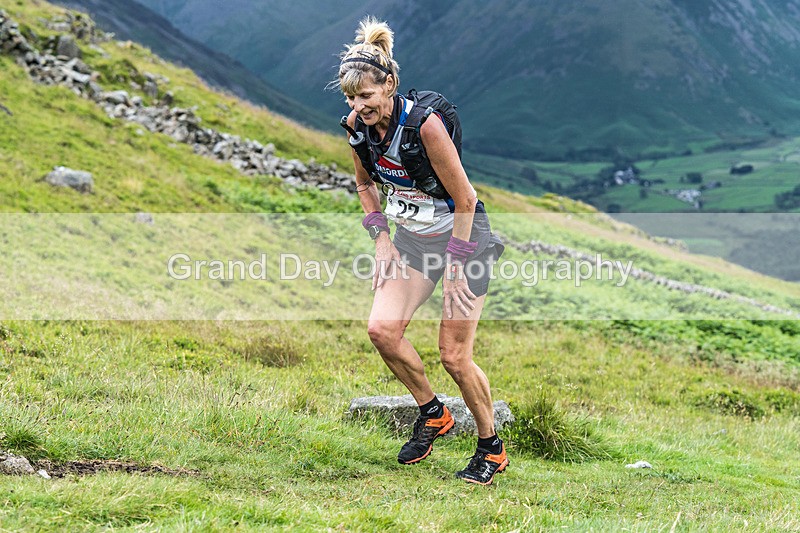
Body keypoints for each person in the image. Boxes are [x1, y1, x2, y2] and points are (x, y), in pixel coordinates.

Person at [333, 17, 508, 485]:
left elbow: (467, 199)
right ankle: (433, 412)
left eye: (366, 96)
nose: (358, 106)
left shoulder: (424, 126)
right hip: (411, 241)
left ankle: (490, 446)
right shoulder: (356, 128)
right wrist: (382, 239)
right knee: (382, 330)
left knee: (454, 355)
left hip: (464, 241)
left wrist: (454, 266)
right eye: (351, 98)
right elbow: (365, 185)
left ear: (389, 85)